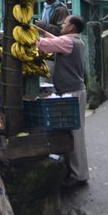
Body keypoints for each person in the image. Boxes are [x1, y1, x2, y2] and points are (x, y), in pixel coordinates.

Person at [37, 16, 89, 185]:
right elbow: (55, 40)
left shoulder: (68, 42)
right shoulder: (76, 41)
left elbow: (43, 45)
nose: (62, 24)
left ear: (72, 27)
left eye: (65, 23)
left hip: (72, 92)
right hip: (73, 90)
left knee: (76, 134)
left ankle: (79, 175)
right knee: (71, 132)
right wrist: (41, 31)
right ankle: (73, 171)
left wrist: (26, 35)